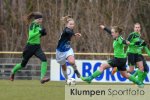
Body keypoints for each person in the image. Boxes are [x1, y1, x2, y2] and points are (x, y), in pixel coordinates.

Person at [10, 12, 49, 84]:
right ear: (36, 19)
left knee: (44, 59)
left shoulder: (39, 26)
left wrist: (42, 34)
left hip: (37, 47)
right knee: (22, 65)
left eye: (42, 19)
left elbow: (38, 35)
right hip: (30, 47)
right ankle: (13, 71)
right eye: (40, 19)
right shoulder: (32, 25)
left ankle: (42, 78)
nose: (41, 21)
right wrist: (39, 32)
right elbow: (31, 35)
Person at [56, 15, 81, 81]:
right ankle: (67, 79)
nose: (72, 25)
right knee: (64, 66)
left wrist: (74, 34)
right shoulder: (66, 30)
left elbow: (70, 32)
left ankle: (75, 70)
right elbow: (68, 32)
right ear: (67, 24)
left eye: (73, 24)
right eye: (70, 24)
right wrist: (74, 34)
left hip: (68, 50)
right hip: (60, 52)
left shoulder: (71, 31)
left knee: (72, 61)